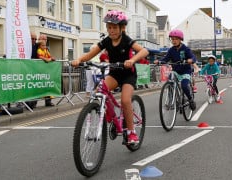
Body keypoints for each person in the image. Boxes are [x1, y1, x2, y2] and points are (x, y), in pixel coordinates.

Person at [71, 10, 149, 144]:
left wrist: (132, 60)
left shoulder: (126, 40)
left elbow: (144, 51)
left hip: (128, 75)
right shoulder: (106, 41)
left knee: (125, 101)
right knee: (98, 92)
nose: (111, 30)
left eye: (114, 27)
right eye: (109, 27)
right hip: (114, 74)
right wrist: (78, 60)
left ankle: (131, 132)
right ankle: (109, 115)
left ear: (122, 28)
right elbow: (90, 54)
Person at [154, 29, 197, 110]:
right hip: (176, 71)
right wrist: (159, 61)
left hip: (185, 72)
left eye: (176, 39)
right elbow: (166, 59)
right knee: (170, 80)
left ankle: (190, 100)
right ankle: (171, 100)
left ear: (180, 39)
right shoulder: (171, 50)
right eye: (172, 39)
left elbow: (193, 57)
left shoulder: (185, 49)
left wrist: (191, 60)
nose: (174, 41)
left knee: (184, 86)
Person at [37, 39, 56, 106]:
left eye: (45, 45)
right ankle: (33, 104)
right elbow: (44, 59)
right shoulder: (39, 50)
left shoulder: (46, 50)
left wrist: (52, 58)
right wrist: (49, 59)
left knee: (48, 85)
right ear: (39, 46)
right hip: (40, 71)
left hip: (46, 71)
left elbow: (50, 57)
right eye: (43, 45)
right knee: (40, 87)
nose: (44, 46)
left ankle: (48, 102)